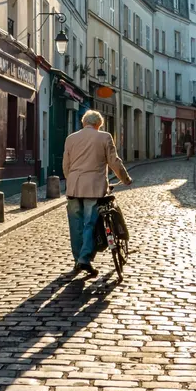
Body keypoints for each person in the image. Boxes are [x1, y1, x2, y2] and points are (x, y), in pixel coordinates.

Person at [62, 110, 133, 278]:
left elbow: (66, 165)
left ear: (83, 122)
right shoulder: (104, 137)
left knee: (75, 225)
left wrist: (71, 180)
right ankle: (85, 259)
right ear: (99, 124)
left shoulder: (70, 138)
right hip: (94, 187)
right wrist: (125, 178)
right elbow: (114, 161)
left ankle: (78, 258)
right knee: (89, 224)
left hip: (73, 187)